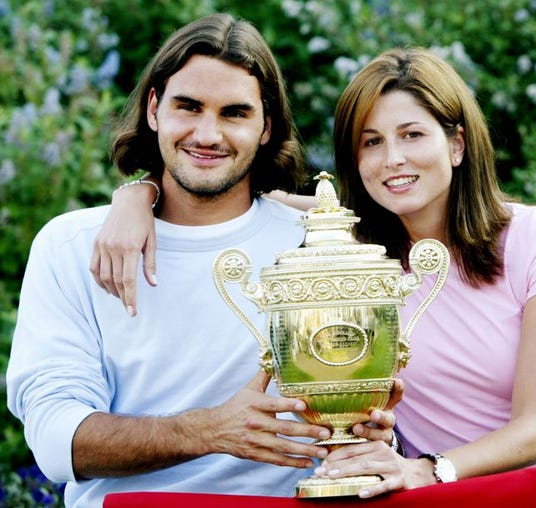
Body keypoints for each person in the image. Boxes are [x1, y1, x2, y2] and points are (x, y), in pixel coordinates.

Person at [90, 46, 536, 508]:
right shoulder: (352, 251)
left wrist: (427, 470)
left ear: (456, 144)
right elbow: (233, 194)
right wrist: (137, 194)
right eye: (370, 142)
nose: (393, 159)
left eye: (412, 134)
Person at [5, 14, 396, 508]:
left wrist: (370, 430)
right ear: (153, 109)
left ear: (265, 126)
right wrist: (210, 430)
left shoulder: (319, 246)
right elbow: (58, 443)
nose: (207, 134)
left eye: (234, 113)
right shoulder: (72, 246)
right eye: (188, 107)